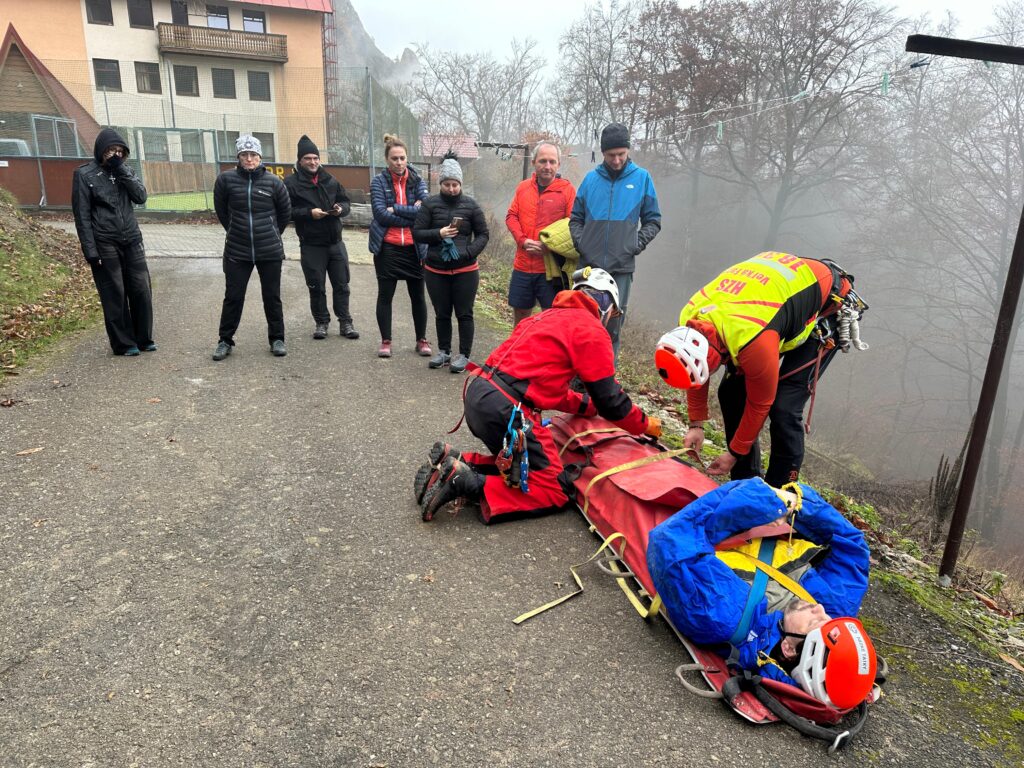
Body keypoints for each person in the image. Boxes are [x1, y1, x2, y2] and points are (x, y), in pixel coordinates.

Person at [413, 267, 662, 524]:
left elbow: (543, 388)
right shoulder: (590, 329)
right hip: (508, 410)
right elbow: (611, 401)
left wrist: (588, 406)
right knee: (553, 489)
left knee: (526, 467)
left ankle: (456, 461)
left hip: (480, 396)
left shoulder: (544, 318)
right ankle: (467, 482)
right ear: (606, 306)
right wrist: (644, 424)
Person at [647, 478, 878, 710]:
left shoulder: (722, 615)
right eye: (828, 620)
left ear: (788, 648)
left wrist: (762, 502)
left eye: (816, 622)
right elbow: (853, 547)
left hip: (726, 512)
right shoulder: (831, 615)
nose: (820, 609)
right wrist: (798, 506)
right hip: (761, 516)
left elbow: (672, 540)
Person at [653, 251, 867, 487]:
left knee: (784, 407)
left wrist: (734, 452)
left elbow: (760, 402)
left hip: (828, 306)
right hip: (778, 305)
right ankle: (746, 483)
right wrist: (696, 424)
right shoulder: (691, 318)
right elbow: (693, 368)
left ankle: (780, 492)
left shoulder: (753, 341)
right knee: (731, 392)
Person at [569, 123, 661, 356]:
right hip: (589, 267)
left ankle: (605, 383)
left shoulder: (642, 178)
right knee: (581, 323)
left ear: (628, 150)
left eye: (621, 154)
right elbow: (575, 219)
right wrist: (583, 244)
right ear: (603, 153)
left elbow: (653, 220)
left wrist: (634, 245)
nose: (617, 160)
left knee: (612, 328)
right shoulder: (590, 180)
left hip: (621, 268)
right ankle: (576, 382)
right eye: (611, 155)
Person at [71, 127, 154, 356]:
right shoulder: (85, 175)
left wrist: (121, 170)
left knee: (141, 290)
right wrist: (90, 250)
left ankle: (144, 338)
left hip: (132, 239)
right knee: (114, 293)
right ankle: (124, 343)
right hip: (104, 241)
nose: (115, 154)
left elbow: (141, 196)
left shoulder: (126, 171)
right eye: (110, 150)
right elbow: (82, 215)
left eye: (119, 150)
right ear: (101, 151)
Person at [211, 135, 292, 361]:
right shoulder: (225, 180)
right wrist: (236, 231)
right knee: (233, 297)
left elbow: (285, 214)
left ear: (260, 157)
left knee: (272, 296)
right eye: (244, 155)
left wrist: (271, 234)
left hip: (270, 250)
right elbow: (222, 212)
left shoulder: (274, 182)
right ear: (238, 157)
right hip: (237, 250)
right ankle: (225, 341)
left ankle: (277, 339)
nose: (249, 159)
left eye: (253, 155)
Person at [413, 155, 489, 373]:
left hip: (465, 269)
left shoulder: (471, 206)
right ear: (441, 184)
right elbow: (417, 233)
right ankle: (444, 351)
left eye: (455, 184)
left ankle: (464, 355)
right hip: (436, 269)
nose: (452, 188)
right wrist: (439, 233)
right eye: (447, 184)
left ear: (461, 184)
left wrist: (468, 252)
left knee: (464, 313)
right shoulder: (429, 204)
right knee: (442, 313)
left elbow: (483, 234)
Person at [284, 134, 359, 341]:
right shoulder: (291, 183)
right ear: (300, 161)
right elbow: (286, 211)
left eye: (315, 158)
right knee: (316, 286)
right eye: (308, 158)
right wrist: (309, 213)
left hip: (335, 243)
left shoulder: (330, 180)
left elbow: (345, 202)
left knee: (342, 284)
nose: (313, 162)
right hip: (311, 245)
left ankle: (345, 322)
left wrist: (340, 209)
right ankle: (321, 322)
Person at [368, 134, 432, 359]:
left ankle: (421, 340)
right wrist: (409, 212)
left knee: (418, 297)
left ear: (407, 159)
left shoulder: (418, 181)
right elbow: (380, 215)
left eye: (402, 158)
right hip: (388, 247)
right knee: (385, 296)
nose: (398, 162)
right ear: (387, 160)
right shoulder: (378, 182)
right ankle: (386, 341)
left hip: (415, 248)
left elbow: (425, 212)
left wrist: (395, 208)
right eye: (394, 158)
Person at [505, 142, 576, 325]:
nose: (547, 166)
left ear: (558, 164)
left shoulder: (567, 190)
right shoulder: (523, 187)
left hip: (551, 270)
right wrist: (523, 241)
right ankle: (518, 353)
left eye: (552, 162)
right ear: (534, 162)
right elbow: (512, 216)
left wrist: (549, 246)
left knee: (551, 321)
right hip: (522, 265)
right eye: (543, 161)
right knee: (520, 319)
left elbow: (573, 226)